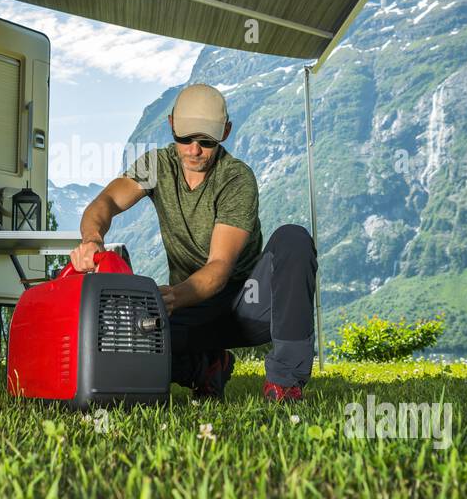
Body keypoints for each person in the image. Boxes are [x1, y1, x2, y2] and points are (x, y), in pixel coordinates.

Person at [69, 83, 317, 402]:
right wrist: (92, 239)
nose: (194, 150)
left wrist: (173, 296)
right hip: (191, 306)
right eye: (185, 138)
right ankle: (208, 368)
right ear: (171, 124)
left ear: (225, 132)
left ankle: (285, 383)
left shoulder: (236, 178)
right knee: (130, 348)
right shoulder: (155, 165)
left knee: (293, 239)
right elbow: (106, 202)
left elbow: (219, 267)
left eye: (206, 141)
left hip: (247, 307)